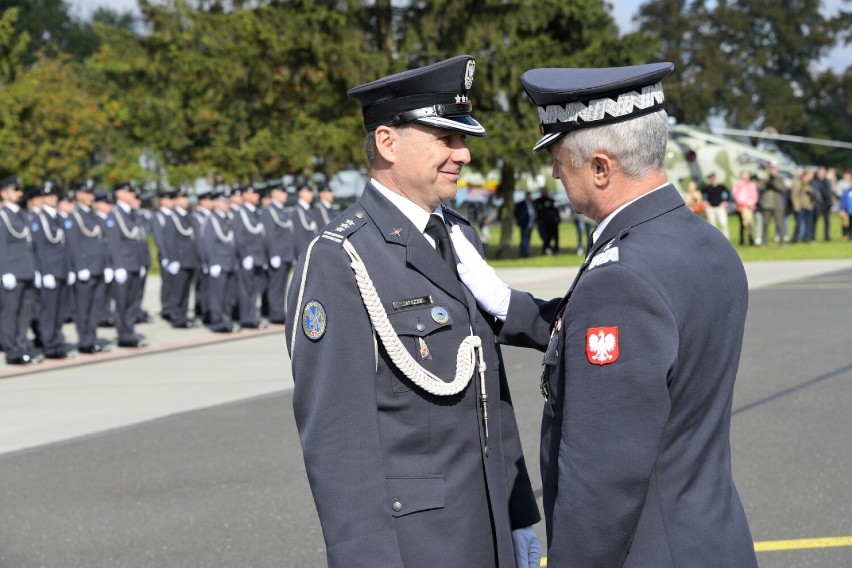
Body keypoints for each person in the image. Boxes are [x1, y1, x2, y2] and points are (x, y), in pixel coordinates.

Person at [452, 62, 757, 567]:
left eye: (558, 157)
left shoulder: (622, 275)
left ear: (600, 167)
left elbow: (602, 484)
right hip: (709, 538)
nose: (553, 171)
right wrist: (510, 306)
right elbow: (643, 337)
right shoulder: (705, 244)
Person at [287, 55, 541, 568]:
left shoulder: (459, 236)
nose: (464, 154)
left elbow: (491, 394)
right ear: (387, 142)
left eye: (463, 140)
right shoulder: (342, 258)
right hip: (419, 545)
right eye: (446, 138)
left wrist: (517, 516)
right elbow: (338, 443)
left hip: (487, 528)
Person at [65, 180, 110, 353]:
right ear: (79, 195)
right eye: (87, 193)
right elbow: (73, 244)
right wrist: (79, 266)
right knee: (83, 307)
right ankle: (84, 341)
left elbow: (102, 242)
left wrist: (106, 265)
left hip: (98, 267)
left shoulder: (93, 215)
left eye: (92, 194)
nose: (91, 197)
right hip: (85, 269)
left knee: (95, 306)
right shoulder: (74, 216)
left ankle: (92, 338)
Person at [0, 176, 40, 365]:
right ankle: (12, 350)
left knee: (25, 312)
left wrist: (36, 269)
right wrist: (5, 271)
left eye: (19, 190)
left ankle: (22, 345)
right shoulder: (3, 216)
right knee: (11, 312)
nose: (19, 193)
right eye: (15, 190)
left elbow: (30, 245)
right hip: (13, 272)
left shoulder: (24, 215)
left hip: (27, 270)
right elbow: (1, 246)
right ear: (3, 193)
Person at [104, 181, 148, 348]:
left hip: (135, 263)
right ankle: (123, 334)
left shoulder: (133, 214)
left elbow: (138, 241)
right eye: (128, 192)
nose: (132, 195)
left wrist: (142, 263)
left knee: (133, 302)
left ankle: (130, 331)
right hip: (124, 264)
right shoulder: (114, 214)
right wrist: (118, 265)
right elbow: (113, 242)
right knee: (122, 303)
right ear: (119, 194)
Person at [30, 182, 71, 359]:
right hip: (50, 271)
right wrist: (43, 272)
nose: (52, 198)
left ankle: (57, 340)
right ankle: (49, 344)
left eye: (54, 195)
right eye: (48, 196)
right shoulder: (38, 219)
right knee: (49, 311)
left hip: (62, 269)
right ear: (43, 198)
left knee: (60, 309)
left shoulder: (60, 218)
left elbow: (67, 247)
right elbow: (39, 248)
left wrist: (70, 269)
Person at [260, 179, 296, 325]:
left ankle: (280, 311)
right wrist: (273, 254)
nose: (285, 194)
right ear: (274, 193)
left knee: (282, 286)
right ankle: (275, 313)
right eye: (282, 191)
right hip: (278, 255)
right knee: (275, 287)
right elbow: (269, 235)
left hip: (286, 254)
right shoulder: (269, 211)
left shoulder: (283, 211)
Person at [759, 165, 787, 246]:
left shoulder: (779, 179)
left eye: (774, 170)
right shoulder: (765, 179)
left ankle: (782, 241)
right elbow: (760, 189)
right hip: (767, 204)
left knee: (780, 224)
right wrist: (766, 183)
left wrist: (774, 184)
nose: (772, 172)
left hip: (777, 204)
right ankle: (764, 242)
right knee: (765, 224)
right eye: (771, 170)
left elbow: (783, 189)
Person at [732, 170, 758, 246]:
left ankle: (750, 239)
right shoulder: (738, 185)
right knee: (742, 224)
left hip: (750, 207)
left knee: (750, 223)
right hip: (742, 207)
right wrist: (744, 203)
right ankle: (742, 240)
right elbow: (736, 195)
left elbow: (755, 195)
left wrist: (752, 202)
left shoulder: (751, 185)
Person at [701, 172, 730, 238]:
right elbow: (701, 194)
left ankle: (726, 239)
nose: (713, 179)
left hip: (720, 207)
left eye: (714, 178)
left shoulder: (721, 186)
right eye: (711, 178)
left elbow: (728, 193)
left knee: (723, 223)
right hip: (711, 208)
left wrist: (725, 202)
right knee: (713, 225)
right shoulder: (707, 188)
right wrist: (705, 202)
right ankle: (715, 239)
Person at [790, 169, 814, 243]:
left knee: (808, 223)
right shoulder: (798, 183)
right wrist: (796, 206)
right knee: (799, 224)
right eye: (810, 176)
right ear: (805, 175)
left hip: (808, 206)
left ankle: (806, 238)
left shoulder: (809, 184)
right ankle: (795, 239)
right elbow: (794, 195)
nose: (811, 177)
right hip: (800, 206)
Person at [811, 166, 834, 241]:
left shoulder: (827, 181)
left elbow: (829, 193)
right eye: (820, 172)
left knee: (827, 221)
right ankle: (812, 237)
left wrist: (829, 202)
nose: (821, 174)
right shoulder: (814, 182)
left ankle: (827, 237)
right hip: (818, 204)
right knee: (815, 221)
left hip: (827, 204)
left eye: (822, 172)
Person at [534, 188, 560, 254]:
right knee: (546, 237)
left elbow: (556, 211)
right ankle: (546, 249)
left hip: (553, 222)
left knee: (555, 236)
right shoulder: (539, 201)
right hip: (544, 222)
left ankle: (555, 249)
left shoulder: (552, 200)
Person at [838, 169, 852, 240]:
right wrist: (842, 209)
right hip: (847, 211)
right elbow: (843, 201)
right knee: (846, 224)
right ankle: (845, 236)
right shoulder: (846, 191)